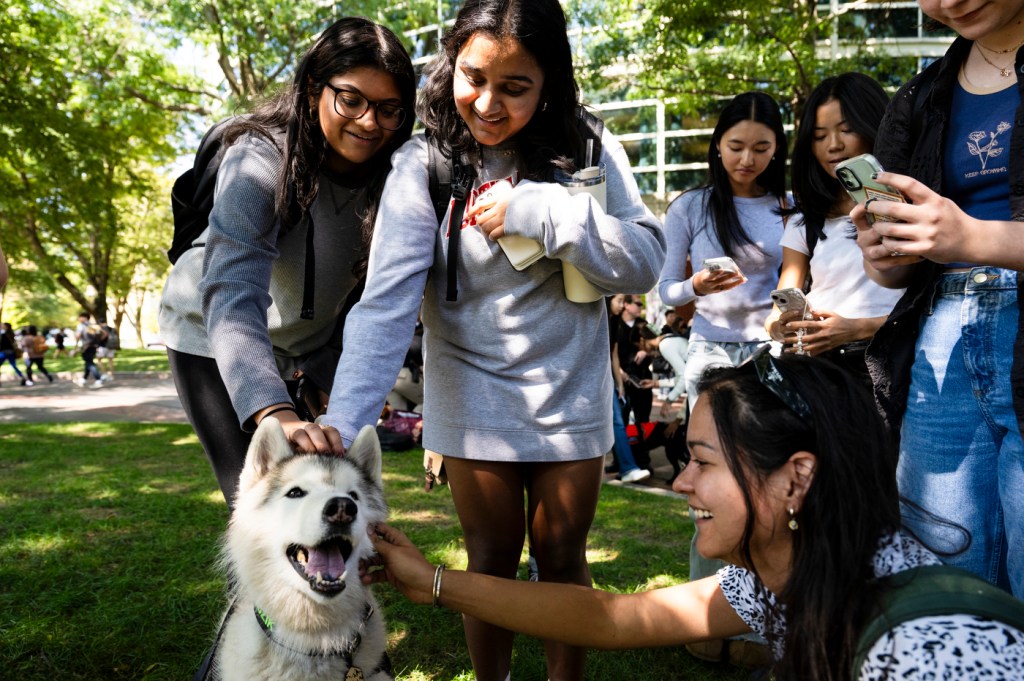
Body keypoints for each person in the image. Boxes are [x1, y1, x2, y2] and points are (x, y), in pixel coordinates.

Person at [285, 2, 665, 678]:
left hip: (568, 392)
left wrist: (547, 212)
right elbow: (388, 303)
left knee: (562, 558)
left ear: (550, 80)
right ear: (451, 60)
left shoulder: (587, 145)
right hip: (473, 394)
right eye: (473, 77)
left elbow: (642, 258)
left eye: (515, 87)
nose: (488, 104)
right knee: (487, 558)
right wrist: (343, 422)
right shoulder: (422, 160)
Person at [363, 351, 1024, 680]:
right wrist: (433, 584)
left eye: (702, 461)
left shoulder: (930, 651)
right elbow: (613, 617)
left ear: (796, 477)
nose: (680, 483)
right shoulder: (792, 570)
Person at [157, 17, 416, 508]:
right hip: (211, 335)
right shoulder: (259, 157)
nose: (369, 122)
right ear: (314, 88)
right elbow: (233, 288)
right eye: (352, 100)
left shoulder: (398, 176)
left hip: (305, 345)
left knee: (323, 496)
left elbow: (375, 292)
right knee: (260, 503)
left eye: (388, 110)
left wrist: (325, 369)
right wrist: (274, 410)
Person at [851, 0, 1024, 598]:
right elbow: (898, 276)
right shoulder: (921, 95)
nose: (947, 3)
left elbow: (957, 233)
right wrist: (884, 254)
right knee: (944, 579)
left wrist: (970, 236)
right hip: (939, 342)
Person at [657, 90, 788, 666]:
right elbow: (662, 289)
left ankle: (763, 624)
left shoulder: (791, 205)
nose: (747, 159)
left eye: (762, 147)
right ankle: (705, 618)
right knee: (709, 490)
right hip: (711, 354)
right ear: (717, 146)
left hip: (772, 356)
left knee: (767, 493)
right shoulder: (691, 206)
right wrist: (695, 289)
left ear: (778, 149)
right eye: (736, 146)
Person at [765, 73, 904, 388]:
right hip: (820, 370)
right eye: (819, 135)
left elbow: (927, 306)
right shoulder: (805, 221)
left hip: (889, 367)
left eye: (847, 130)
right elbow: (781, 302)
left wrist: (857, 328)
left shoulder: (907, 207)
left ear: (875, 126)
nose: (834, 145)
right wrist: (779, 327)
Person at [606, 294, 652, 483]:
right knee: (617, 422)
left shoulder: (619, 323)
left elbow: (613, 354)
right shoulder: (601, 320)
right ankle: (625, 465)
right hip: (600, 379)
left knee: (624, 422)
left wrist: (618, 383)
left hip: (621, 380)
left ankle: (632, 465)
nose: (620, 305)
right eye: (618, 301)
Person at [74, 313, 106, 387]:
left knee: (90, 363)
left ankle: (98, 379)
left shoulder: (81, 326)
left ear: (85, 318)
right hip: (94, 346)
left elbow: (78, 336)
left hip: (86, 346)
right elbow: (104, 334)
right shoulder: (93, 325)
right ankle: (83, 379)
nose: (79, 319)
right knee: (88, 363)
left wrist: (75, 347)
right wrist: (98, 342)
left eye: (80, 317)